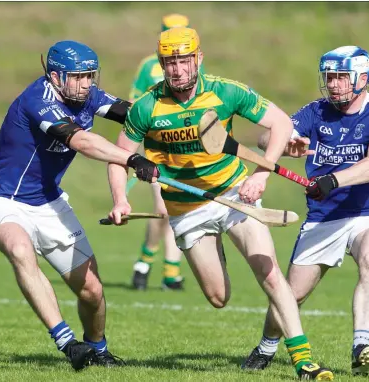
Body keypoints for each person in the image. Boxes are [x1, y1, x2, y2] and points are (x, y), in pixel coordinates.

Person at [108, 27, 334, 380]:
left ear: (198, 59)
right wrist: (120, 199)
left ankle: (303, 360)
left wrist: (261, 175)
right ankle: (217, 247)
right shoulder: (146, 108)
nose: (178, 69)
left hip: (233, 194)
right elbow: (118, 157)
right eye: (170, 62)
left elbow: (279, 122)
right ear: (162, 65)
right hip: (186, 209)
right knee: (218, 297)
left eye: (184, 60)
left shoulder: (225, 91)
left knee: (270, 272)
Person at [0, 40, 159, 371]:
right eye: (79, 77)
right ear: (57, 77)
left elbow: (135, 115)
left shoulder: (89, 97)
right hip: (3, 201)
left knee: (91, 290)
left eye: (90, 76)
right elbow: (82, 141)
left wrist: (176, 129)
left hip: (50, 202)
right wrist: (131, 158)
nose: (88, 83)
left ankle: (98, 349)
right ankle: (67, 342)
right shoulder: (38, 100)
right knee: (19, 249)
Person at [252, 46, 369, 377]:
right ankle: (266, 346)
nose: (333, 84)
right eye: (329, 77)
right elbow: (267, 136)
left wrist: (331, 180)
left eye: (341, 77)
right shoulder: (315, 112)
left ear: (362, 77)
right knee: (291, 296)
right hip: (323, 217)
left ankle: (362, 345)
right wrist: (283, 144)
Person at [128, 13, 195, 291]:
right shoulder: (149, 66)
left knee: (177, 209)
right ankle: (144, 261)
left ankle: (171, 273)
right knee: (161, 210)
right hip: (157, 148)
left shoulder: (192, 64)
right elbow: (134, 102)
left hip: (184, 148)